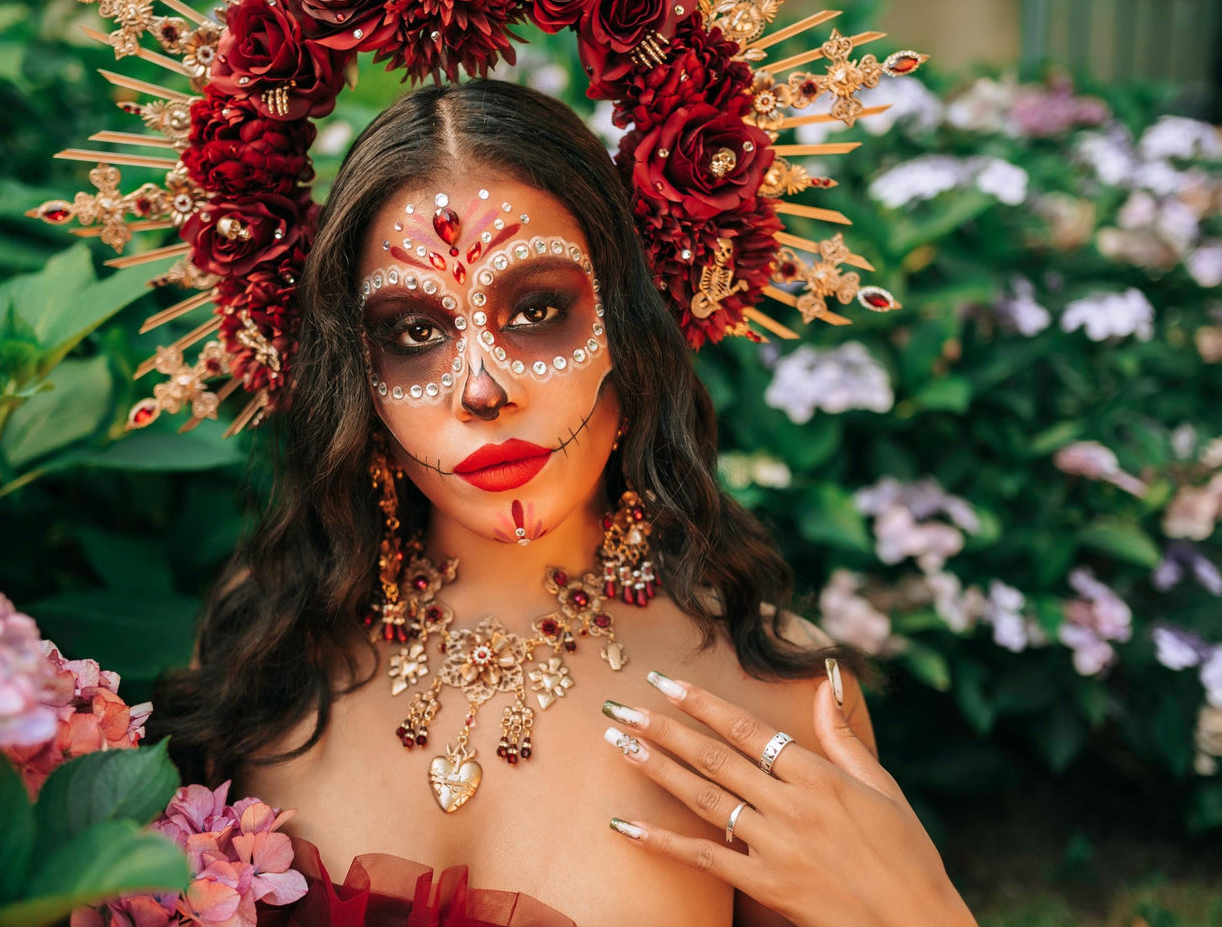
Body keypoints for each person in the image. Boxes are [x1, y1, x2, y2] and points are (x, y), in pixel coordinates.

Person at [148, 78, 977, 927]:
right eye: (415, 331)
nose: (480, 388)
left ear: (628, 320)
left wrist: (915, 903)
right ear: (358, 373)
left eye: (537, 309)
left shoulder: (776, 698)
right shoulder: (273, 648)